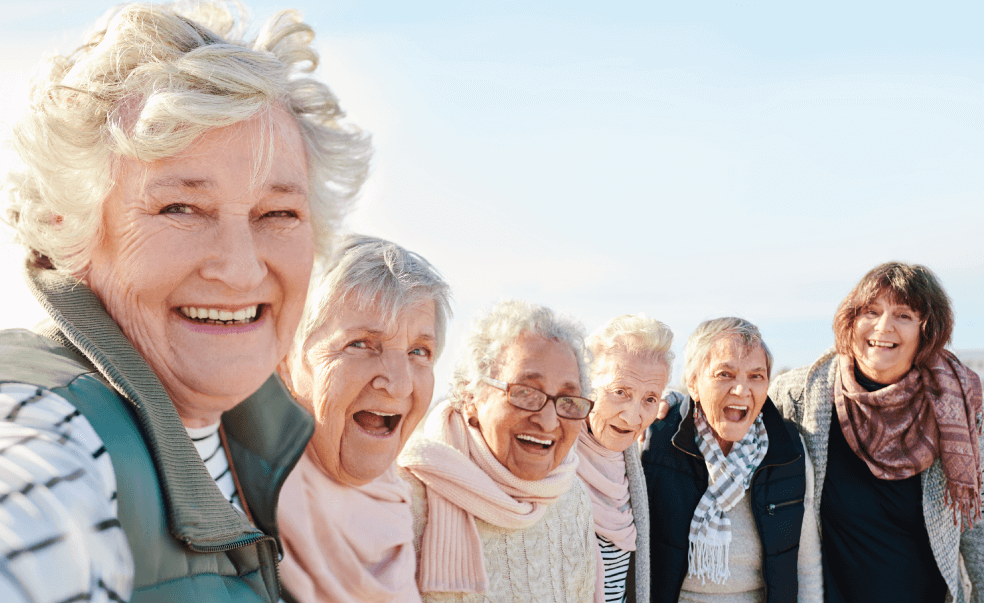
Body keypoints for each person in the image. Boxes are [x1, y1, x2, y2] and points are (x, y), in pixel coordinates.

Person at [0, 2, 370, 602]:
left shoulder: (266, 446)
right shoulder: (51, 431)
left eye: (278, 213)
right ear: (69, 225)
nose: (241, 268)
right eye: (180, 208)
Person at [768, 262, 983, 603]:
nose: (884, 327)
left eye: (904, 315)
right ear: (851, 321)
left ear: (926, 332)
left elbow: (976, 525)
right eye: (871, 311)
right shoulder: (801, 393)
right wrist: (671, 409)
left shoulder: (955, 402)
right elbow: (737, 424)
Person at [276, 235, 451, 603]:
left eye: (419, 351)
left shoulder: (399, 504)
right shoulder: (237, 508)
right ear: (286, 361)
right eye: (360, 344)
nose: (400, 384)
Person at [398, 300, 598, 602]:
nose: (547, 421)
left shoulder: (573, 496)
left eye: (568, 400)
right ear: (471, 396)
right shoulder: (406, 496)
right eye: (525, 393)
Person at [642, 317, 822, 603]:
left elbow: (807, 565)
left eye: (756, 376)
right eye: (725, 374)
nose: (742, 390)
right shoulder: (655, 439)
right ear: (693, 383)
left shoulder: (788, 449)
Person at [578, 314, 674, 603]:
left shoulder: (631, 468)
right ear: (585, 383)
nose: (633, 417)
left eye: (649, 399)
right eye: (620, 392)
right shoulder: (549, 462)